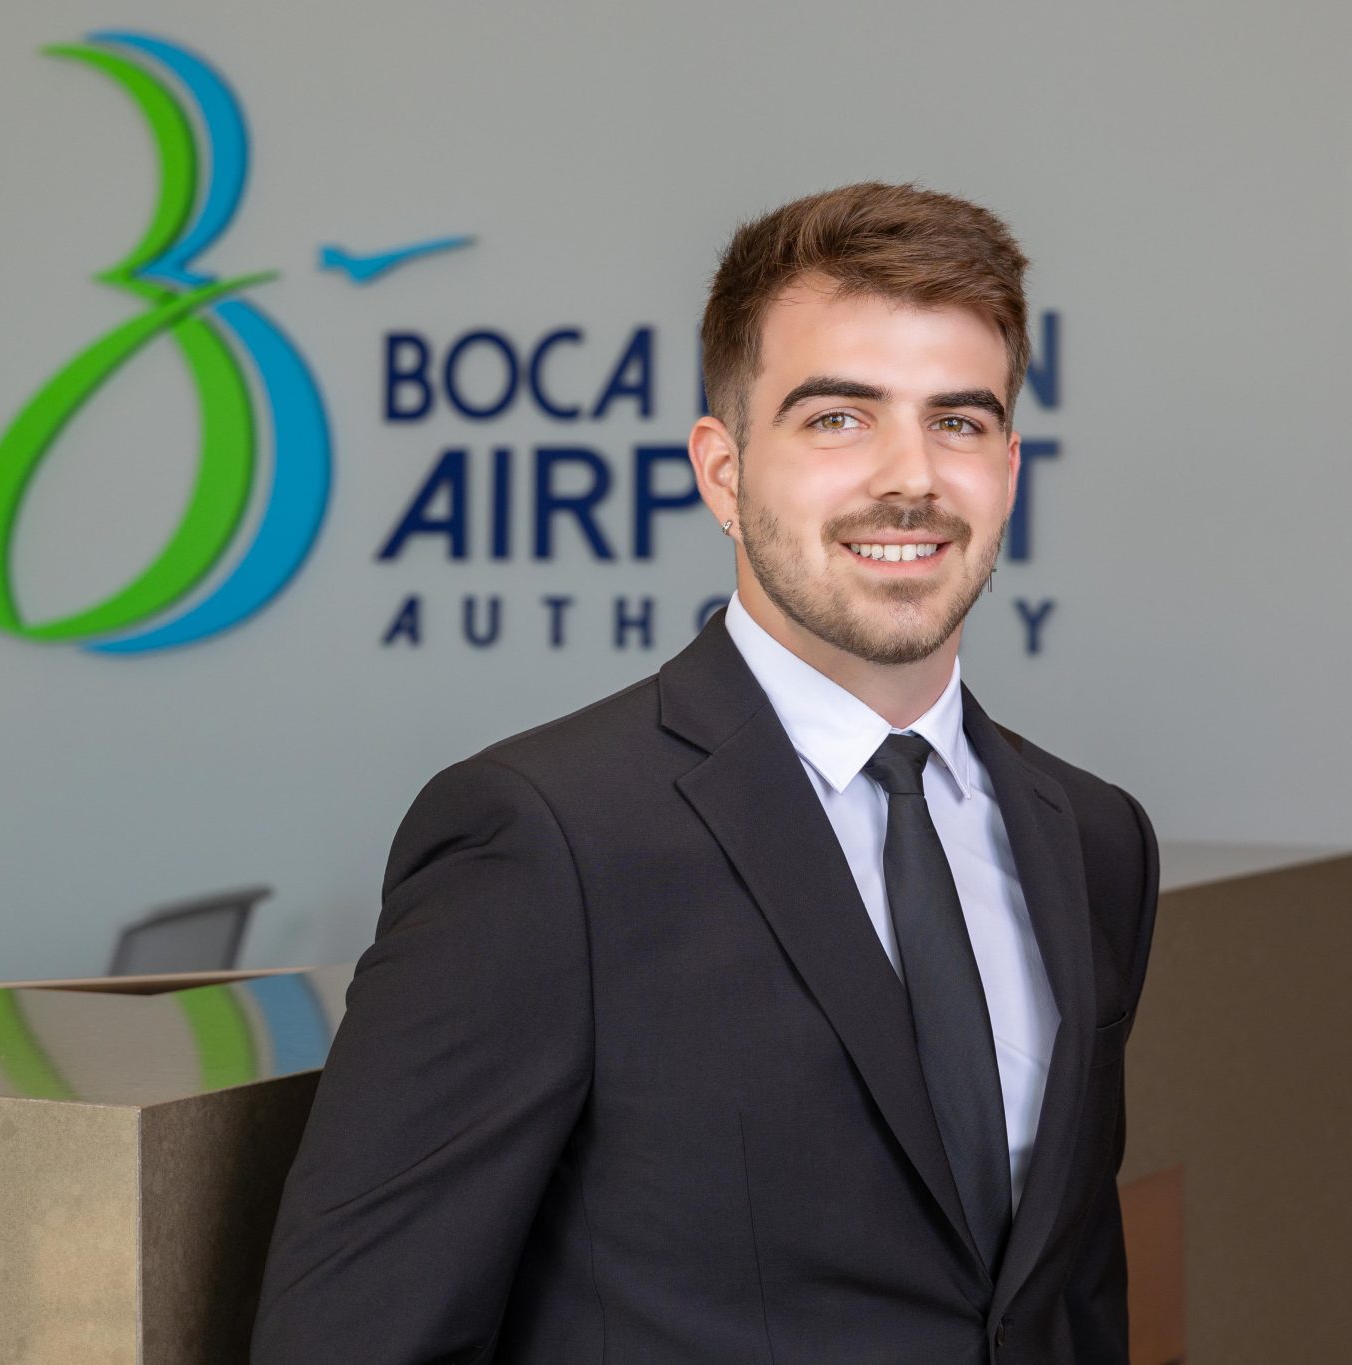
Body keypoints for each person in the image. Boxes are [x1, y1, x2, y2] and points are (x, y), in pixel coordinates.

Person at [251, 181, 1160, 1365]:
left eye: (957, 421)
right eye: (836, 418)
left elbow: (1067, 1298)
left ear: (1007, 467)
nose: (910, 477)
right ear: (722, 473)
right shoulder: (542, 842)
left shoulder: (1089, 839)